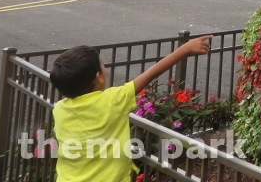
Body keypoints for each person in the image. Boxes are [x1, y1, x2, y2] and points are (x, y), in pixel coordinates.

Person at [50, 35, 212, 182]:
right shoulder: (113, 100)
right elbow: (150, 74)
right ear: (98, 76)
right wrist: (185, 49)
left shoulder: (59, 110)